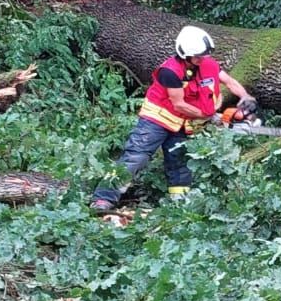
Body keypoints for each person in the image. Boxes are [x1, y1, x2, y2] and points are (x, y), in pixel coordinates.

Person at [90, 26, 256, 223]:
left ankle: (180, 204)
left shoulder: (208, 64)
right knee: (136, 157)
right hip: (157, 120)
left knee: (179, 162)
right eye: (197, 56)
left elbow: (228, 81)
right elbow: (179, 104)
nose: (201, 60)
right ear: (185, 54)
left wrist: (245, 97)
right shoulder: (170, 71)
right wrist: (209, 116)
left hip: (184, 123)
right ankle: (103, 198)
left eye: (203, 56)